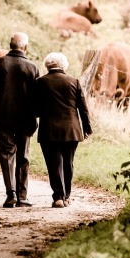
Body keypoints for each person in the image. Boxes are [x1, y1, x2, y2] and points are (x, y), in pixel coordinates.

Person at [0, 32, 40, 208]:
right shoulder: (32, 67)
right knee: (23, 156)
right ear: (26, 47)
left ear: (10, 45)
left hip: (3, 119)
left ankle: (11, 194)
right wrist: (36, 116)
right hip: (26, 120)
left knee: (6, 155)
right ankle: (23, 197)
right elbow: (37, 98)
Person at [34, 52, 92, 208]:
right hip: (71, 129)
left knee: (53, 164)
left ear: (47, 65)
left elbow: (36, 110)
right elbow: (83, 109)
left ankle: (58, 197)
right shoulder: (74, 82)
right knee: (68, 163)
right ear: (64, 65)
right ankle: (67, 196)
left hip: (49, 130)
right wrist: (87, 128)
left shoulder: (40, 82)